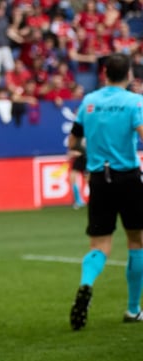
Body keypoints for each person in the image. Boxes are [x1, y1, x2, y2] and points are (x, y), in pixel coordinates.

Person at [69, 53, 143, 331]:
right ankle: (133, 309)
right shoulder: (134, 102)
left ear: (104, 74)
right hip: (128, 177)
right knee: (137, 241)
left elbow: (73, 141)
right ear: (129, 74)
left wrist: (94, 147)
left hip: (99, 178)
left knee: (99, 245)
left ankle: (86, 284)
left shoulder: (89, 101)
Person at [68, 138, 87, 209]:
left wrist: (79, 153)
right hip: (77, 161)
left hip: (85, 160)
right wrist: (70, 154)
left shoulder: (85, 137)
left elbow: (88, 150)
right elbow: (71, 151)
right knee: (72, 179)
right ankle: (78, 200)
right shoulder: (74, 140)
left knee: (88, 180)